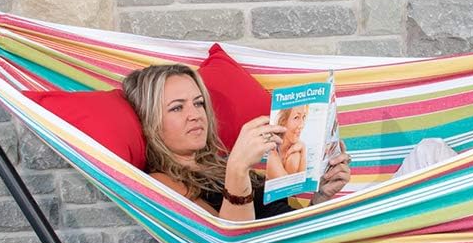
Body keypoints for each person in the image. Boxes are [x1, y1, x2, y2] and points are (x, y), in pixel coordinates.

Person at [121, 63, 351, 222]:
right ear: (150, 121)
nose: (195, 115)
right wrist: (238, 168)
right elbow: (229, 241)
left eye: (199, 103)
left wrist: (321, 197)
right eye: (177, 108)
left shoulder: (218, 164)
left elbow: (284, 226)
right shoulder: (162, 182)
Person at [265, 104, 309, 180]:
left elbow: (300, 184)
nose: (301, 125)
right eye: (296, 117)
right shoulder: (271, 152)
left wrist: (303, 150)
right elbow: (288, 185)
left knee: (295, 157)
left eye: (303, 117)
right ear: (283, 121)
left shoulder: (295, 151)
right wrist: (303, 152)